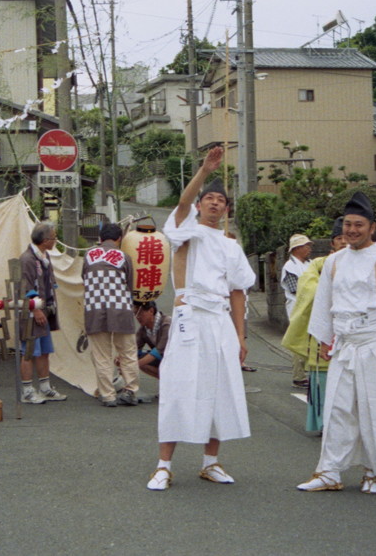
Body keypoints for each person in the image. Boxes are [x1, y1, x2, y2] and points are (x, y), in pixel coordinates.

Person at [147, 146, 255, 492]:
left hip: (219, 320)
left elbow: (238, 291)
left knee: (218, 389)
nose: (213, 203)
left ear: (226, 208)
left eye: (220, 200)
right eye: (208, 198)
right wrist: (205, 172)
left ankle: (211, 462)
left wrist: (241, 337)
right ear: (199, 204)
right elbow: (181, 205)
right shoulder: (185, 230)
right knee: (179, 387)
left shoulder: (230, 245)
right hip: (189, 316)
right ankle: (164, 465)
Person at [296, 192, 376, 495]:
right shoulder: (334, 260)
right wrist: (324, 337)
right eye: (347, 224)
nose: (352, 230)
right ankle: (330, 471)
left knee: (374, 408)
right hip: (344, 343)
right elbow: (325, 302)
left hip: (374, 341)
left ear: (372, 227)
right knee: (337, 408)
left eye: (358, 225)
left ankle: (373, 472)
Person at [282, 218, 346, 431]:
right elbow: (308, 290)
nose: (344, 242)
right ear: (333, 243)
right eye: (339, 238)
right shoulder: (318, 265)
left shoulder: (366, 263)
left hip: (354, 331)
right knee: (324, 380)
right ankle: (324, 423)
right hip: (326, 329)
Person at [83, 223, 139, 407]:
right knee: (128, 352)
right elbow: (130, 284)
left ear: (100, 238)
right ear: (119, 239)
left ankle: (108, 395)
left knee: (102, 355)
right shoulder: (124, 256)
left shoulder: (89, 255)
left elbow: (85, 278)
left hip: (95, 309)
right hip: (121, 309)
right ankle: (130, 390)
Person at [17, 222, 67, 405]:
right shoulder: (28, 259)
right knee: (29, 351)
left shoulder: (44, 257)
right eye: (53, 238)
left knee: (44, 351)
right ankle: (27, 390)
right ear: (45, 240)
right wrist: (35, 309)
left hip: (44, 311)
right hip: (31, 312)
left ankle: (45, 388)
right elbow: (25, 287)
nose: (55, 241)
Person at [280, 234, 313, 387]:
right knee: (299, 340)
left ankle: (310, 373)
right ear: (297, 249)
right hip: (297, 308)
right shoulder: (290, 266)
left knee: (312, 340)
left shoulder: (310, 263)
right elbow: (295, 289)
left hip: (311, 306)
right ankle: (298, 376)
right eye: (306, 246)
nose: (309, 248)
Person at [135, 301, 170, 380]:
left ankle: (170, 381)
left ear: (151, 311)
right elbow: (134, 348)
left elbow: (159, 351)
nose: (137, 317)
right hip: (163, 360)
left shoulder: (166, 323)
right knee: (135, 358)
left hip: (176, 360)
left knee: (138, 362)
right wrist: (122, 359)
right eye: (135, 314)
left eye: (140, 313)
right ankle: (165, 381)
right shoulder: (143, 329)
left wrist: (133, 365)